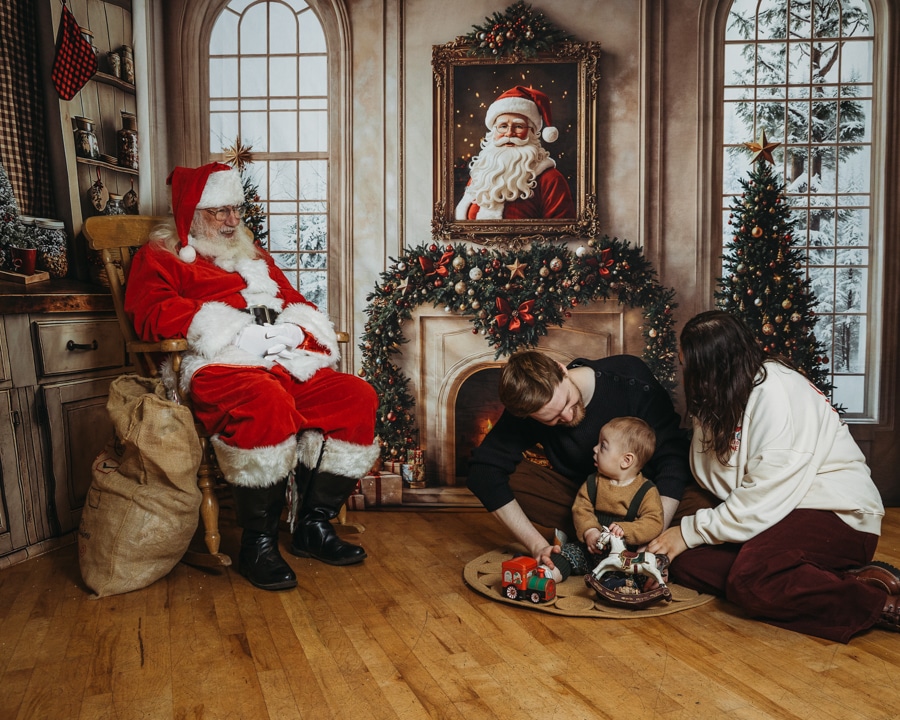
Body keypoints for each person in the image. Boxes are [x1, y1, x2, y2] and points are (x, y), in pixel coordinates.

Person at [124, 162, 379, 592]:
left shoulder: (253, 255)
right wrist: (235, 329)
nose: (232, 220)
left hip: (281, 360)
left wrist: (295, 329)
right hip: (217, 363)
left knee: (355, 396)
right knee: (266, 402)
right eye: (219, 211)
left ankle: (312, 527)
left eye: (235, 210)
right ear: (192, 214)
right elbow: (149, 315)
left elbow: (296, 301)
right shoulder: (162, 256)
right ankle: (258, 545)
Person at [648, 310, 898, 641]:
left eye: (688, 367)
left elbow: (762, 494)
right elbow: (722, 478)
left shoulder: (778, 392)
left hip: (837, 514)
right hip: (777, 514)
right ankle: (828, 577)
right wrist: (686, 537)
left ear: (711, 369)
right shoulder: (723, 397)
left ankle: (878, 604)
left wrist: (690, 530)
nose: (685, 377)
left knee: (751, 580)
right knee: (685, 563)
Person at [466, 350, 692, 580]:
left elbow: (673, 461)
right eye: (551, 419)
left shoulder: (629, 378)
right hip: (586, 500)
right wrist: (537, 546)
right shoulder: (529, 404)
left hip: (650, 502)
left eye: (566, 401)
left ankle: (607, 541)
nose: (567, 416)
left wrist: (652, 539)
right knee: (512, 476)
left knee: (700, 501)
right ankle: (585, 538)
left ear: (561, 369)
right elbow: (483, 471)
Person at [455, 85, 575, 221]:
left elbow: (562, 235)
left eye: (518, 126)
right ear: (493, 132)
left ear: (531, 133)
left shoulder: (551, 179)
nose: (509, 133)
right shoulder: (482, 173)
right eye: (503, 126)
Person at [573, 416, 664, 553]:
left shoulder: (646, 491)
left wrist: (626, 530)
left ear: (626, 460)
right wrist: (590, 530)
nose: (595, 449)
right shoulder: (593, 482)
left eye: (603, 446)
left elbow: (654, 522)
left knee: (641, 569)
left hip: (623, 553)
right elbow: (581, 509)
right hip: (592, 547)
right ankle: (551, 572)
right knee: (567, 553)